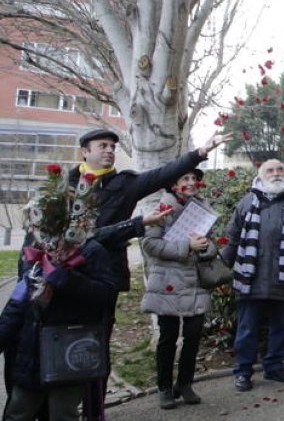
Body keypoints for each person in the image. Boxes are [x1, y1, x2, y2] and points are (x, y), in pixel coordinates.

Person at [17, 128, 228, 419]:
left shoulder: (124, 185)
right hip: (58, 281)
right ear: (84, 151)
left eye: (113, 146)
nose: (109, 150)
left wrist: (200, 153)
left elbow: (162, 173)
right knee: (47, 347)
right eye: (102, 145)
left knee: (95, 349)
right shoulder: (62, 187)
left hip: (101, 280)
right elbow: (44, 235)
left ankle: (94, 411)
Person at [0, 166, 117, 421]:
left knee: (62, 414)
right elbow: (20, 297)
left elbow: (106, 294)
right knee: (18, 411)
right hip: (31, 350)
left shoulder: (90, 250)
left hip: (68, 348)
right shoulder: (35, 249)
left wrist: (65, 278)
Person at [220, 159, 284, 392]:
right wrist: (222, 274)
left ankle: (274, 367)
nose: (275, 174)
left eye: (280, 170)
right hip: (250, 279)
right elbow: (231, 240)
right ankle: (243, 372)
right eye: (270, 170)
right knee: (246, 329)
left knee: (281, 326)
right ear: (260, 175)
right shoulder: (246, 203)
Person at [140, 168, 221, 409]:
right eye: (185, 178)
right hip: (169, 281)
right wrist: (186, 245)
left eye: (194, 178)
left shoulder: (203, 207)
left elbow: (211, 243)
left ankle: (185, 384)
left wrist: (207, 247)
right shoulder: (161, 209)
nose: (191, 182)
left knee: (194, 334)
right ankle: (164, 388)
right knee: (168, 336)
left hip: (195, 281)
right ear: (173, 185)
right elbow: (150, 244)